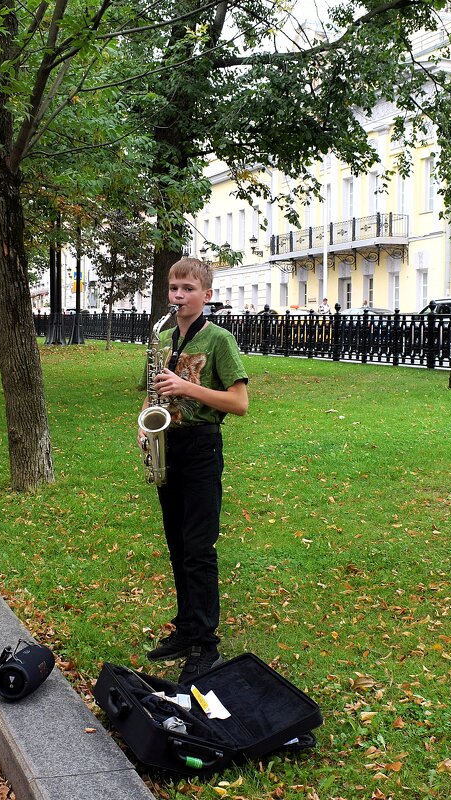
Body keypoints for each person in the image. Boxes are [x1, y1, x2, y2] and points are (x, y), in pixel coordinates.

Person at [139, 257, 249, 684]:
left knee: (199, 549)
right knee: (177, 544)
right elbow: (154, 389)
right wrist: (145, 418)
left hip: (202, 447)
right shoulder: (165, 337)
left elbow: (239, 404)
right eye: (173, 288)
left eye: (187, 289)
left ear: (206, 294)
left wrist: (187, 387)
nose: (178, 296)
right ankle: (186, 629)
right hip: (169, 444)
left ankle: (206, 644)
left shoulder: (220, 339)